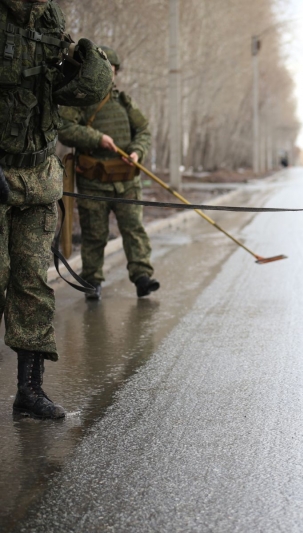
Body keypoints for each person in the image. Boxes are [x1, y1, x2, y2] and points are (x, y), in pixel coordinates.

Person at [0, 0, 113, 418]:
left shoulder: (51, 18)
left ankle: (29, 393)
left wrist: (88, 65)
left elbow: (63, 91)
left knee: (32, 281)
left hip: (40, 177)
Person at [58, 46, 160, 301]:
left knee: (134, 229)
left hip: (126, 180)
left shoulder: (124, 102)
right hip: (94, 181)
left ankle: (142, 277)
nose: (108, 74)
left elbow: (144, 131)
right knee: (94, 234)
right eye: (103, 69)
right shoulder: (79, 99)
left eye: (111, 70)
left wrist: (137, 152)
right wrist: (97, 138)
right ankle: (92, 281)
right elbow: (64, 128)